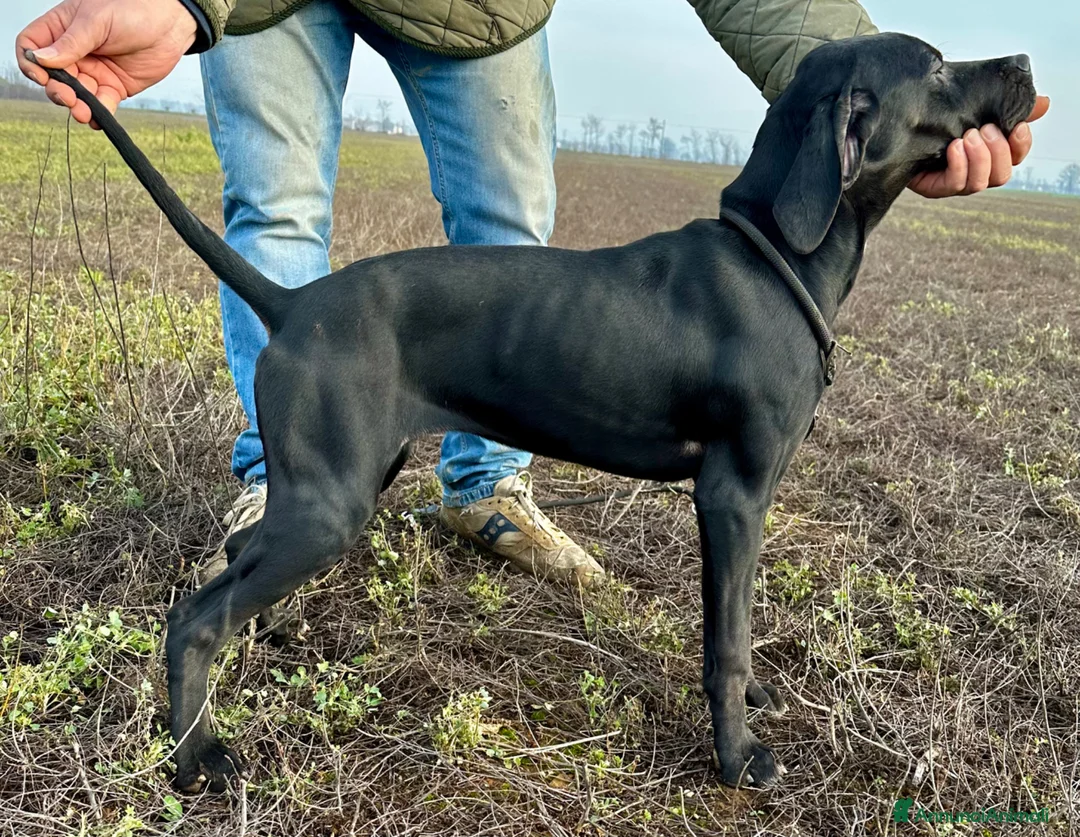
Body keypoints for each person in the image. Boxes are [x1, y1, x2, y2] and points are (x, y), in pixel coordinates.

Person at [17, 0, 1048, 590]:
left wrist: (872, 89)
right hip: (267, 6)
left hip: (476, 7)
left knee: (510, 220)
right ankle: (287, 481)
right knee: (278, 219)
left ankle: (484, 484)